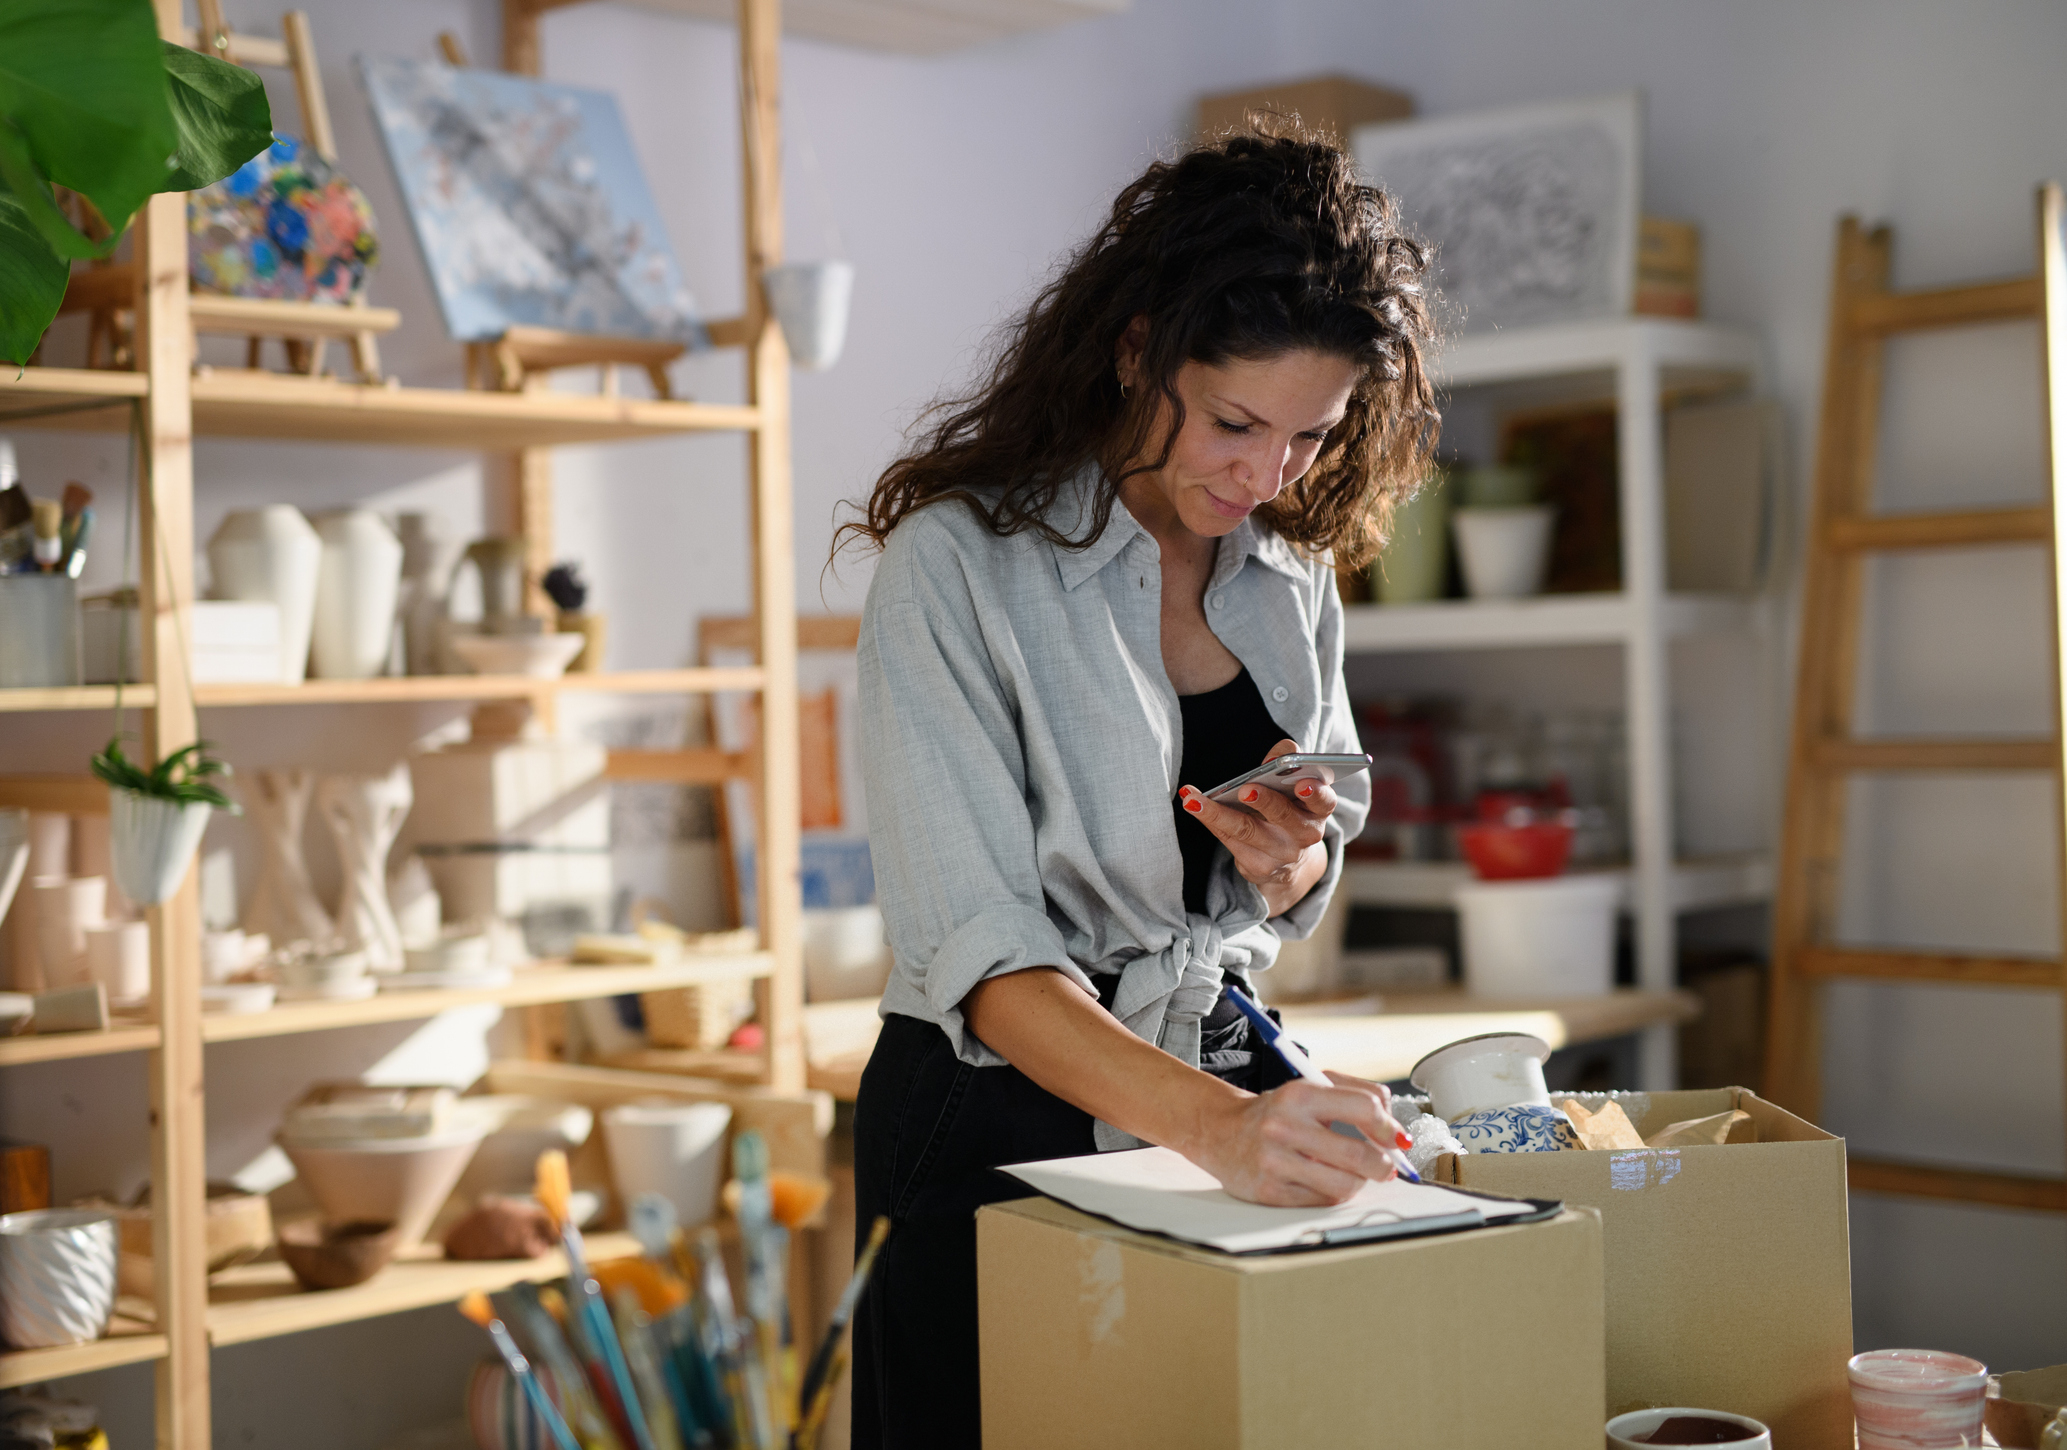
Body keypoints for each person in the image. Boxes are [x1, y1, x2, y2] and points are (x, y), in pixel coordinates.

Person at [839, 124, 1442, 1448]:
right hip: (986, 1109)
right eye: (1234, 421)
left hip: (1207, 1079)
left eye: (1309, 434)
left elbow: (1291, 889)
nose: (1265, 475)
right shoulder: (959, 568)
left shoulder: (1291, 581)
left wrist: (1291, 864)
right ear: (1136, 349)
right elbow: (983, 957)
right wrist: (1223, 1129)